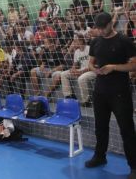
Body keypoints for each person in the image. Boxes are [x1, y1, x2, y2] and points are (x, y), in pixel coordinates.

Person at [85, 12, 136, 179]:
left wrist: (113, 67)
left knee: (127, 130)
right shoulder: (96, 42)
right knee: (100, 127)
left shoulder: (124, 41)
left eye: (103, 27)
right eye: (98, 28)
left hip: (120, 92)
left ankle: (134, 166)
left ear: (110, 24)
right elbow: (90, 63)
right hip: (100, 92)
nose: (100, 31)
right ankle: (100, 156)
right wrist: (95, 69)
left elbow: (134, 64)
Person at [60, 35, 96, 107]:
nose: (73, 43)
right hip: (82, 69)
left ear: (81, 41)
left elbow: (95, 65)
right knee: (63, 74)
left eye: (75, 41)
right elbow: (75, 64)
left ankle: (86, 100)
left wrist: (81, 72)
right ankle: (69, 96)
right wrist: (73, 69)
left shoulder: (89, 49)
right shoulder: (76, 52)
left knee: (81, 78)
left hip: (92, 70)